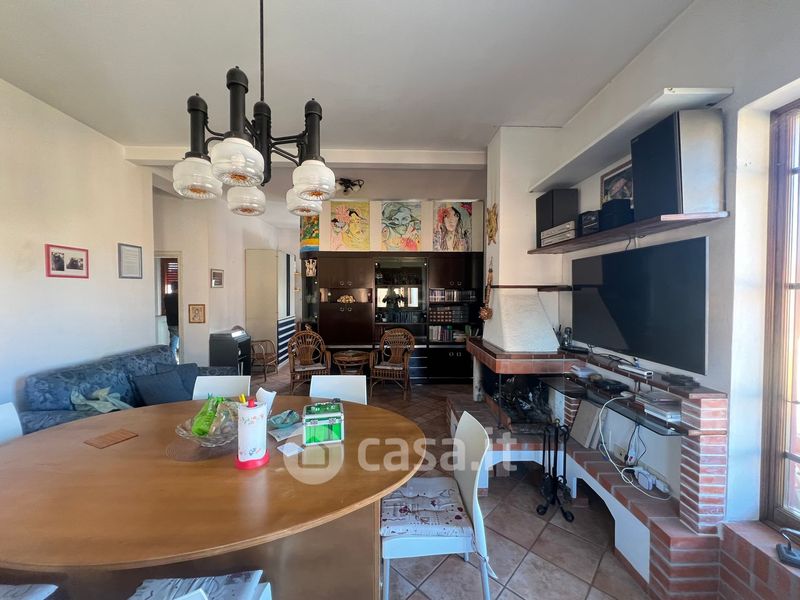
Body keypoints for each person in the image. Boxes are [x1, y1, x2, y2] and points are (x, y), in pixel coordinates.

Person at [164, 284, 179, 355]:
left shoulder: (166, 297)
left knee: (173, 343)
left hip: (170, 322)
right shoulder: (178, 297)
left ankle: (172, 359)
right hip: (178, 322)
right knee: (181, 342)